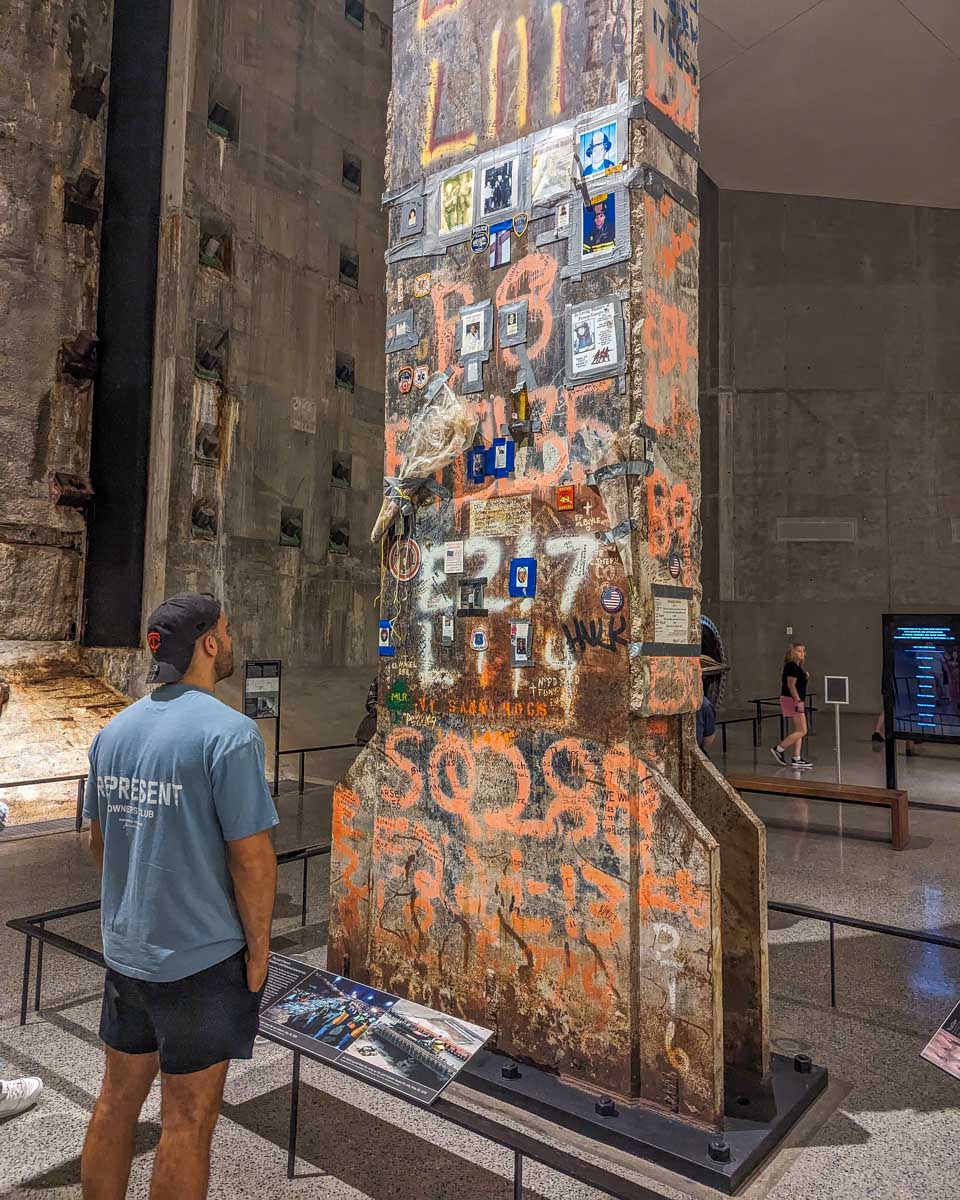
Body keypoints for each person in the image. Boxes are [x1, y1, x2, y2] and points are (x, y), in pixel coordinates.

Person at [80, 593, 278, 1200]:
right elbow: (251, 860)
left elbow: (101, 845)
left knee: (116, 1101)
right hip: (200, 961)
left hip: (128, 955)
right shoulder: (230, 734)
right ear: (210, 644)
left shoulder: (113, 732)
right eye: (226, 629)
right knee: (187, 1123)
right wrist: (260, 950)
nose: (231, 639)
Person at [771, 643, 813, 769]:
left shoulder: (797, 667)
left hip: (795, 700)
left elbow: (797, 683)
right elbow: (791, 685)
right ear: (793, 652)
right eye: (799, 651)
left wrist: (805, 677)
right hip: (792, 700)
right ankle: (779, 749)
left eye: (803, 651)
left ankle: (796, 758)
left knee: (799, 730)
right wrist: (798, 700)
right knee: (802, 730)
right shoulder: (791, 666)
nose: (802, 653)